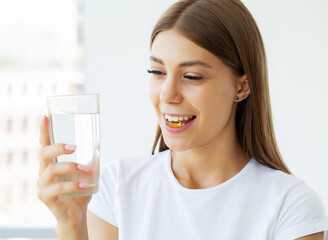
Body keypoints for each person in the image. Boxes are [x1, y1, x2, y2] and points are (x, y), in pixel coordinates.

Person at [37, 0, 328, 239]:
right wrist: (71, 225)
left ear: (242, 86)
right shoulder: (116, 188)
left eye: (192, 76)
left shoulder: (291, 208)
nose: (167, 94)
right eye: (157, 72)